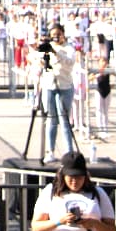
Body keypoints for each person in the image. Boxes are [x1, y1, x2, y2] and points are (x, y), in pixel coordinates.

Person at [31, 151, 116, 231]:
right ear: (63, 175)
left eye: (79, 177)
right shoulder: (50, 191)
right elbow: (36, 227)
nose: (75, 181)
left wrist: (95, 224)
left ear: (85, 176)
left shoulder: (98, 193)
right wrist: (60, 221)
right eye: (71, 177)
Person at [40, 24, 77, 163]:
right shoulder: (48, 47)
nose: (55, 37)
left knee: (64, 120)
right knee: (51, 119)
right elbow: (37, 59)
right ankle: (50, 151)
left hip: (65, 86)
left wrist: (56, 52)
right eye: (53, 34)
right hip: (49, 85)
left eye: (58, 34)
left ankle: (69, 151)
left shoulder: (69, 48)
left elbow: (69, 62)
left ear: (63, 34)